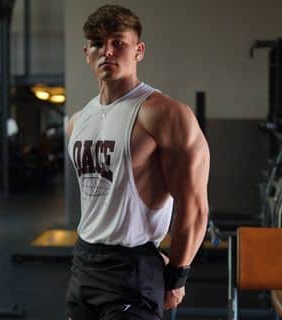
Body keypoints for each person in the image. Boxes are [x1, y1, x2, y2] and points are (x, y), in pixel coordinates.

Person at [66, 4, 210, 320]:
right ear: (86, 52)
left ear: (139, 50)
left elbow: (195, 206)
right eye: (97, 43)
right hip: (84, 262)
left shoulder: (164, 114)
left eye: (118, 42)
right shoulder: (77, 121)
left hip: (133, 268)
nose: (107, 51)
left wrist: (177, 274)